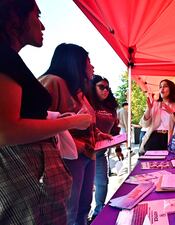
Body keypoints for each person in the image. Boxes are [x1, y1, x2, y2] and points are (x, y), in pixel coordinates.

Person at [0, 1, 91, 224]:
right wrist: (72, 122)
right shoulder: (6, 58)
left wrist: (57, 118)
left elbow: (24, 116)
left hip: (34, 184)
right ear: (15, 16)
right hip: (27, 183)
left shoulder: (11, 60)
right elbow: (7, 130)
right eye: (37, 15)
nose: (42, 26)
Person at [39, 43, 110, 225]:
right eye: (88, 61)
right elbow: (40, 122)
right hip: (69, 158)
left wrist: (98, 134)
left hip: (88, 155)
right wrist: (76, 142)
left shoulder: (79, 92)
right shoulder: (52, 82)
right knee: (70, 211)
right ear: (76, 62)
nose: (92, 66)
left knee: (84, 206)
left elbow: (85, 122)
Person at [88, 75, 122, 222]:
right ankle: (81, 217)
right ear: (92, 87)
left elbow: (115, 131)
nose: (105, 90)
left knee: (102, 182)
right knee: (84, 188)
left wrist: (118, 148)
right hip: (83, 152)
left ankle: (98, 213)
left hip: (101, 153)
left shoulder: (111, 108)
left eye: (107, 88)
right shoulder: (87, 103)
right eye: (101, 87)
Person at [139, 79, 175, 154]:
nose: (162, 89)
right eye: (160, 87)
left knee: (168, 163)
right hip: (153, 137)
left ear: (171, 89)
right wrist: (149, 109)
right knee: (151, 164)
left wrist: (172, 113)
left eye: (165, 86)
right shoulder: (154, 104)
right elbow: (144, 124)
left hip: (169, 139)